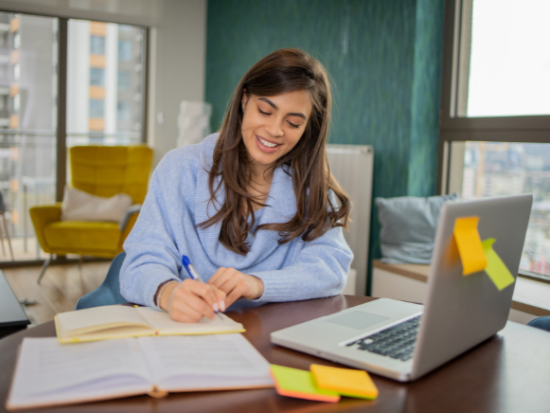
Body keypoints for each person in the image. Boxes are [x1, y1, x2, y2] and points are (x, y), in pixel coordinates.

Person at [120, 48, 353, 323]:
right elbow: (140, 262)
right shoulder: (179, 170)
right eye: (265, 111)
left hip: (270, 336)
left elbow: (330, 268)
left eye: (292, 122)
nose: (275, 130)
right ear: (244, 100)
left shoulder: (313, 191)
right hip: (187, 333)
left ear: (307, 129)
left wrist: (257, 284)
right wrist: (168, 293)